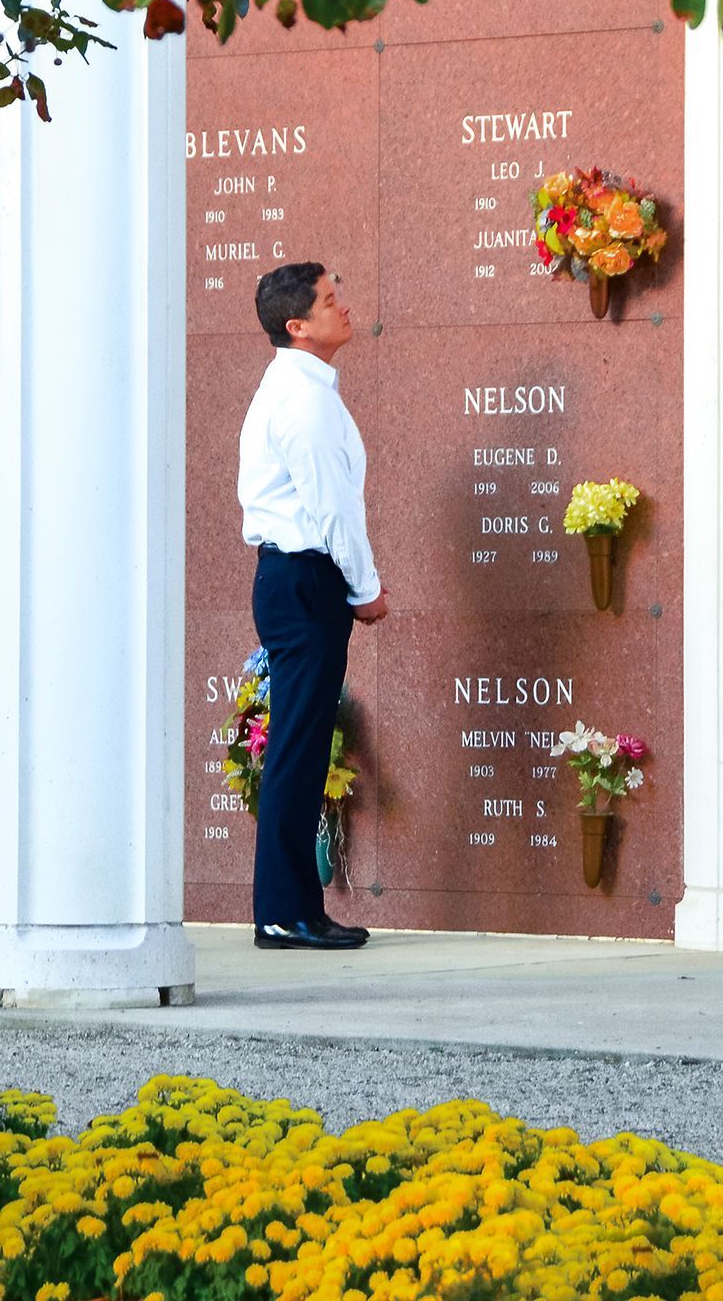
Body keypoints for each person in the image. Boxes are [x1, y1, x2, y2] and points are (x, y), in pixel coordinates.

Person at [238, 261, 389, 950]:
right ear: (296, 326)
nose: (344, 308)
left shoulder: (299, 388)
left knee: (297, 748)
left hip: (293, 580)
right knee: (298, 749)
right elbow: (332, 508)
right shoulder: (304, 400)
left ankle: (289, 909)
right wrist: (365, 589)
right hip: (306, 579)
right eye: (331, 300)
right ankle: (284, 913)